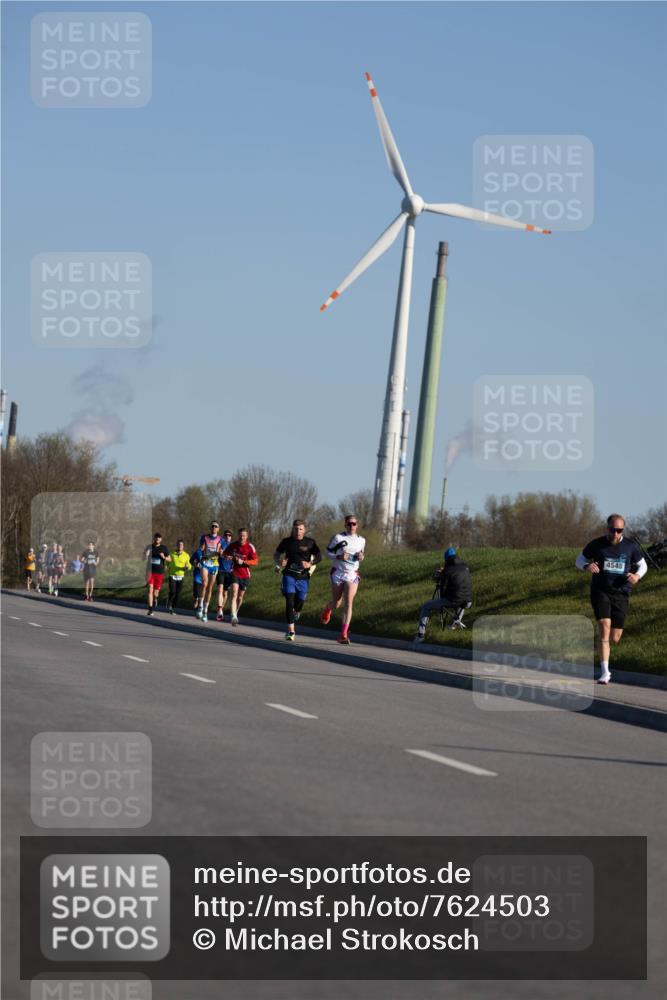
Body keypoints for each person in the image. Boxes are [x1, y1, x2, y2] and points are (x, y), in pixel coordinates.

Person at [576, 513, 647, 684]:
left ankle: (605, 653)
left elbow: (643, 565)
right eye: (612, 530)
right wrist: (587, 566)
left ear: (623, 530)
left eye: (619, 530)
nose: (615, 534)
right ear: (607, 528)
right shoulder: (597, 545)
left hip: (621, 593)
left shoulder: (630, 546)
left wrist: (637, 576)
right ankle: (605, 672)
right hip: (601, 590)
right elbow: (579, 559)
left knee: (615, 637)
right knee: (604, 626)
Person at [320, 515, 366, 644]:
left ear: (357, 525)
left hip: (352, 573)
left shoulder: (361, 540)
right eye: (349, 524)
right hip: (338, 572)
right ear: (345, 525)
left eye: (354, 524)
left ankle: (343, 634)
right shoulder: (338, 538)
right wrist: (339, 556)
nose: (352, 526)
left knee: (349, 602)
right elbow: (327, 552)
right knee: (336, 603)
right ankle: (328, 608)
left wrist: (361, 556)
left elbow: (361, 554)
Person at [413, 547, 473, 643]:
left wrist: (441, 576)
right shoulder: (465, 567)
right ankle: (455, 625)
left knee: (425, 606)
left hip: (454, 600)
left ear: (446, 559)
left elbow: (443, 591)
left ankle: (420, 635)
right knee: (459, 602)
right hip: (468, 601)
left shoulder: (448, 570)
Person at [274, 520, 322, 640]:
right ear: (293, 529)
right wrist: (279, 561)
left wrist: (310, 564)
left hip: (303, 577)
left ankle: (297, 611)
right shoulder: (286, 542)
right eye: (296, 529)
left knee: (299, 603)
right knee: (290, 602)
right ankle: (291, 631)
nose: (298, 531)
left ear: (304, 530)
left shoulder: (310, 542)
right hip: (289, 575)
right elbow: (276, 554)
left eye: (300, 529)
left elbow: (319, 556)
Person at [224, 528, 259, 625]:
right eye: (240, 535)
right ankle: (233, 616)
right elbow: (225, 553)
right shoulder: (233, 545)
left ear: (246, 537)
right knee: (234, 593)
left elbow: (256, 561)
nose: (241, 537)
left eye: (243, 535)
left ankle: (236, 611)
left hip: (245, 575)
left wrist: (244, 562)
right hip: (235, 572)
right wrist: (227, 556)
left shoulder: (250, 547)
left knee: (240, 597)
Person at [196, 522, 223, 622]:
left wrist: (222, 552)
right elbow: (201, 548)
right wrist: (199, 555)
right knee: (204, 584)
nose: (214, 527)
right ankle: (200, 606)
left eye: (216, 526)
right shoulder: (205, 537)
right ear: (210, 528)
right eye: (212, 526)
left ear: (218, 529)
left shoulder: (221, 539)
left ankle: (205, 611)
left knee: (210, 588)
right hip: (205, 562)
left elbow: (222, 551)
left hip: (214, 564)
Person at [143, 532, 171, 616]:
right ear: (154, 538)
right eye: (156, 537)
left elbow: (170, 559)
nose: (157, 539)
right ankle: (150, 609)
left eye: (159, 538)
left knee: (156, 592)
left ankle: (155, 598)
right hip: (150, 571)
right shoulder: (149, 547)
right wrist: (145, 555)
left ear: (161, 539)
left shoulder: (164, 548)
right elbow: (142, 558)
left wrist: (164, 557)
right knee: (150, 589)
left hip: (159, 573)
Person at [166, 539, 192, 614]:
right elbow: (166, 562)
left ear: (183, 546)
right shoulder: (172, 554)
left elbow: (189, 565)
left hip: (181, 576)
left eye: (181, 545)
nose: (180, 546)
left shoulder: (186, 555)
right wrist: (166, 567)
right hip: (172, 575)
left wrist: (187, 567)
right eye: (178, 545)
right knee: (172, 591)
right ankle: (169, 604)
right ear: (177, 545)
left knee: (178, 594)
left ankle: (173, 607)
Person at [215, 529, 234, 621]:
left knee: (225, 593)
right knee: (220, 589)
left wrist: (229, 556)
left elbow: (235, 556)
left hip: (229, 572)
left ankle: (221, 608)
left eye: (229, 535)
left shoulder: (233, 546)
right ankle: (220, 610)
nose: (227, 536)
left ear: (231, 536)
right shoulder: (221, 542)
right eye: (226, 535)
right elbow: (218, 550)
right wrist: (220, 552)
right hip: (221, 570)